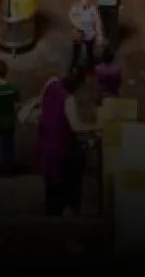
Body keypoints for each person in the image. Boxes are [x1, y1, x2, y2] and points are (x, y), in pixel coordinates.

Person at [35, 69, 98, 216]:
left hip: (45, 143)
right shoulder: (68, 99)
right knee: (67, 183)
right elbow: (76, 127)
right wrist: (97, 127)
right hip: (60, 148)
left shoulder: (51, 83)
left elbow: (40, 103)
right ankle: (68, 213)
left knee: (51, 187)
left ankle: (51, 215)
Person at [0, 60, 20, 174]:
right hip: (9, 120)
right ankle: (8, 166)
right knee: (9, 145)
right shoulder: (13, 88)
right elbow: (16, 104)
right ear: (6, 72)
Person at [69, 0, 103, 73]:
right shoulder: (76, 8)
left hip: (90, 34)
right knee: (76, 52)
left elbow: (97, 21)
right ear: (80, 1)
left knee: (90, 52)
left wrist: (99, 34)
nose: (85, 1)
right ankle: (73, 67)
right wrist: (76, 24)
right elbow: (71, 16)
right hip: (79, 34)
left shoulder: (93, 9)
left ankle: (90, 68)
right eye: (82, 0)